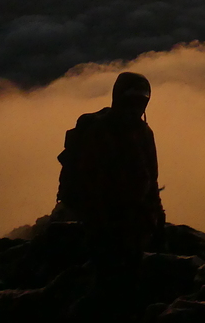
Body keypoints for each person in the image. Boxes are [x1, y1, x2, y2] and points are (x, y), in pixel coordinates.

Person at [55, 71, 165, 289]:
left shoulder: (143, 132)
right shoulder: (102, 132)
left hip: (129, 220)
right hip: (106, 223)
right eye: (132, 99)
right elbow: (94, 182)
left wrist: (156, 216)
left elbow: (150, 178)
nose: (137, 106)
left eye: (142, 100)